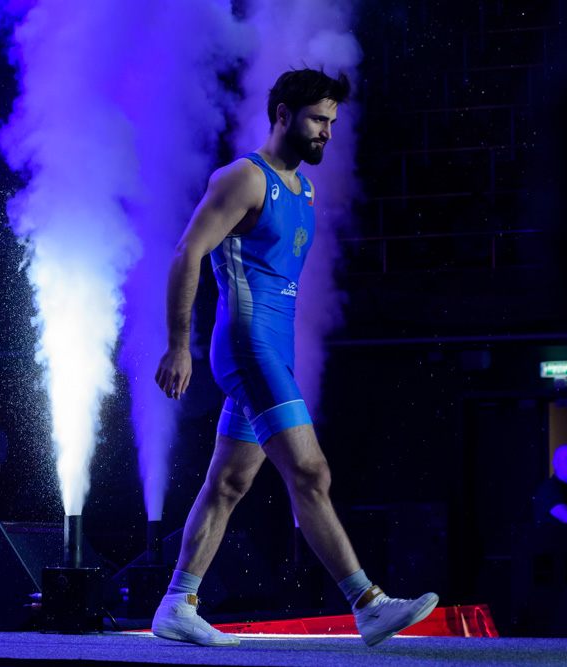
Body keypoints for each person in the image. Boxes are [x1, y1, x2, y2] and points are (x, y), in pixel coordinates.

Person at [150, 68, 439, 648]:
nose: (327, 132)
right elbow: (186, 253)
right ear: (282, 114)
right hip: (248, 345)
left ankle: (177, 604)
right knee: (310, 472)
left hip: (272, 349)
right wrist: (179, 344)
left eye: (332, 121)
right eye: (317, 119)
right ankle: (368, 604)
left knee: (229, 482)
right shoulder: (243, 178)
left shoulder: (302, 188)